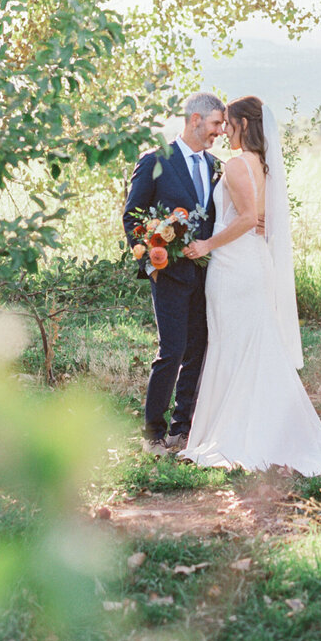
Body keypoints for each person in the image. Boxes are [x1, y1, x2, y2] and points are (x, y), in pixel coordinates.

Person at [181, 96, 321, 475]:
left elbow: (244, 220)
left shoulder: (237, 165)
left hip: (234, 267)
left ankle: (238, 433)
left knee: (233, 345)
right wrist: (247, 222)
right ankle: (268, 429)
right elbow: (261, 218)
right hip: (252, 262)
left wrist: (206, 243)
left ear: (242, 125)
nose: (224, 131)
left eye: (229, 124)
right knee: (251, 345)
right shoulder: (264, 166)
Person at [123, 92, 226, 455]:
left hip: (209, 275)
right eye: (215, 124)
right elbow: (132, 216)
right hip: (169, 274)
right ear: (195, 120)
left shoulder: (217, 166)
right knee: (172, 349)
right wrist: (151, 261)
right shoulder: (156, 160)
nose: (220, 131)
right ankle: (153, 433)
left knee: (199, 349)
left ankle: (183, 429)